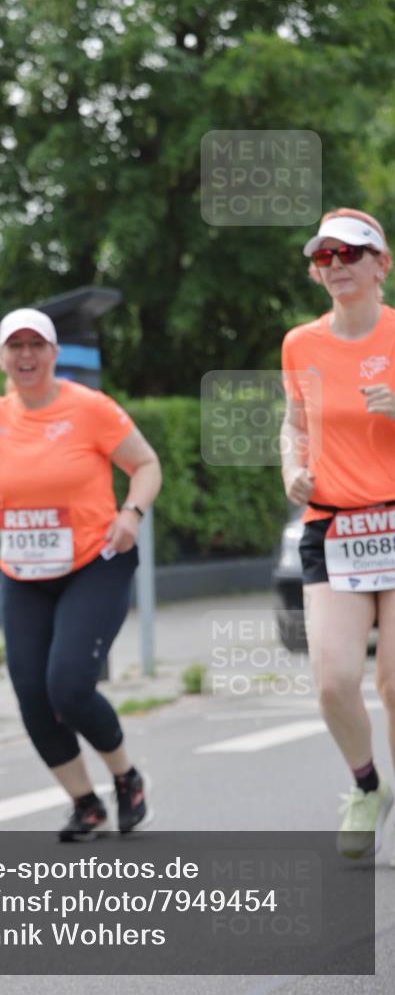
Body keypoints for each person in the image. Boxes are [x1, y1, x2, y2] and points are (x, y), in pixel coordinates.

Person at [0, 308, 162, 840]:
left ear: (53, 353)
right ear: (0, 357)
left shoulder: (90, 409)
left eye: (36, 346)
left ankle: (127, 778)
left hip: (96, 562)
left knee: (67, 686)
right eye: (15, 347)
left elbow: (147, 464)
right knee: (30, 693)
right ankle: (85, 803)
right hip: (23, 573)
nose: (26, 356)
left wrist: (131, 514)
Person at [280, 208, 395, 864]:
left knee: (393, 682)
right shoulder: (300, 343)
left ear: (381, 264)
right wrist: (292, 466)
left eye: (350, 253)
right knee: (331, 680)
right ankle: (365, 785)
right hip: (334, 525)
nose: (336, 265)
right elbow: (293, 424)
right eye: (324, 256)